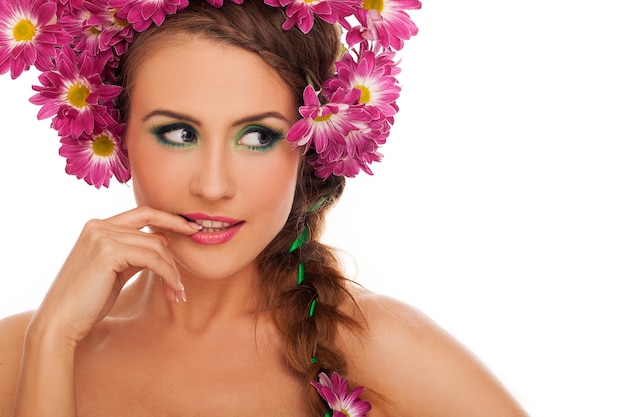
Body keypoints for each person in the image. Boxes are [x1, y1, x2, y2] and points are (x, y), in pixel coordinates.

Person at [0, 0, 528, 415]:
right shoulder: (21, 350)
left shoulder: (380, 348)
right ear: (118, 134)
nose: (212, 185)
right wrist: (51, 339)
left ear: (311, 143)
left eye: (257, 135)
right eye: (178, 133)